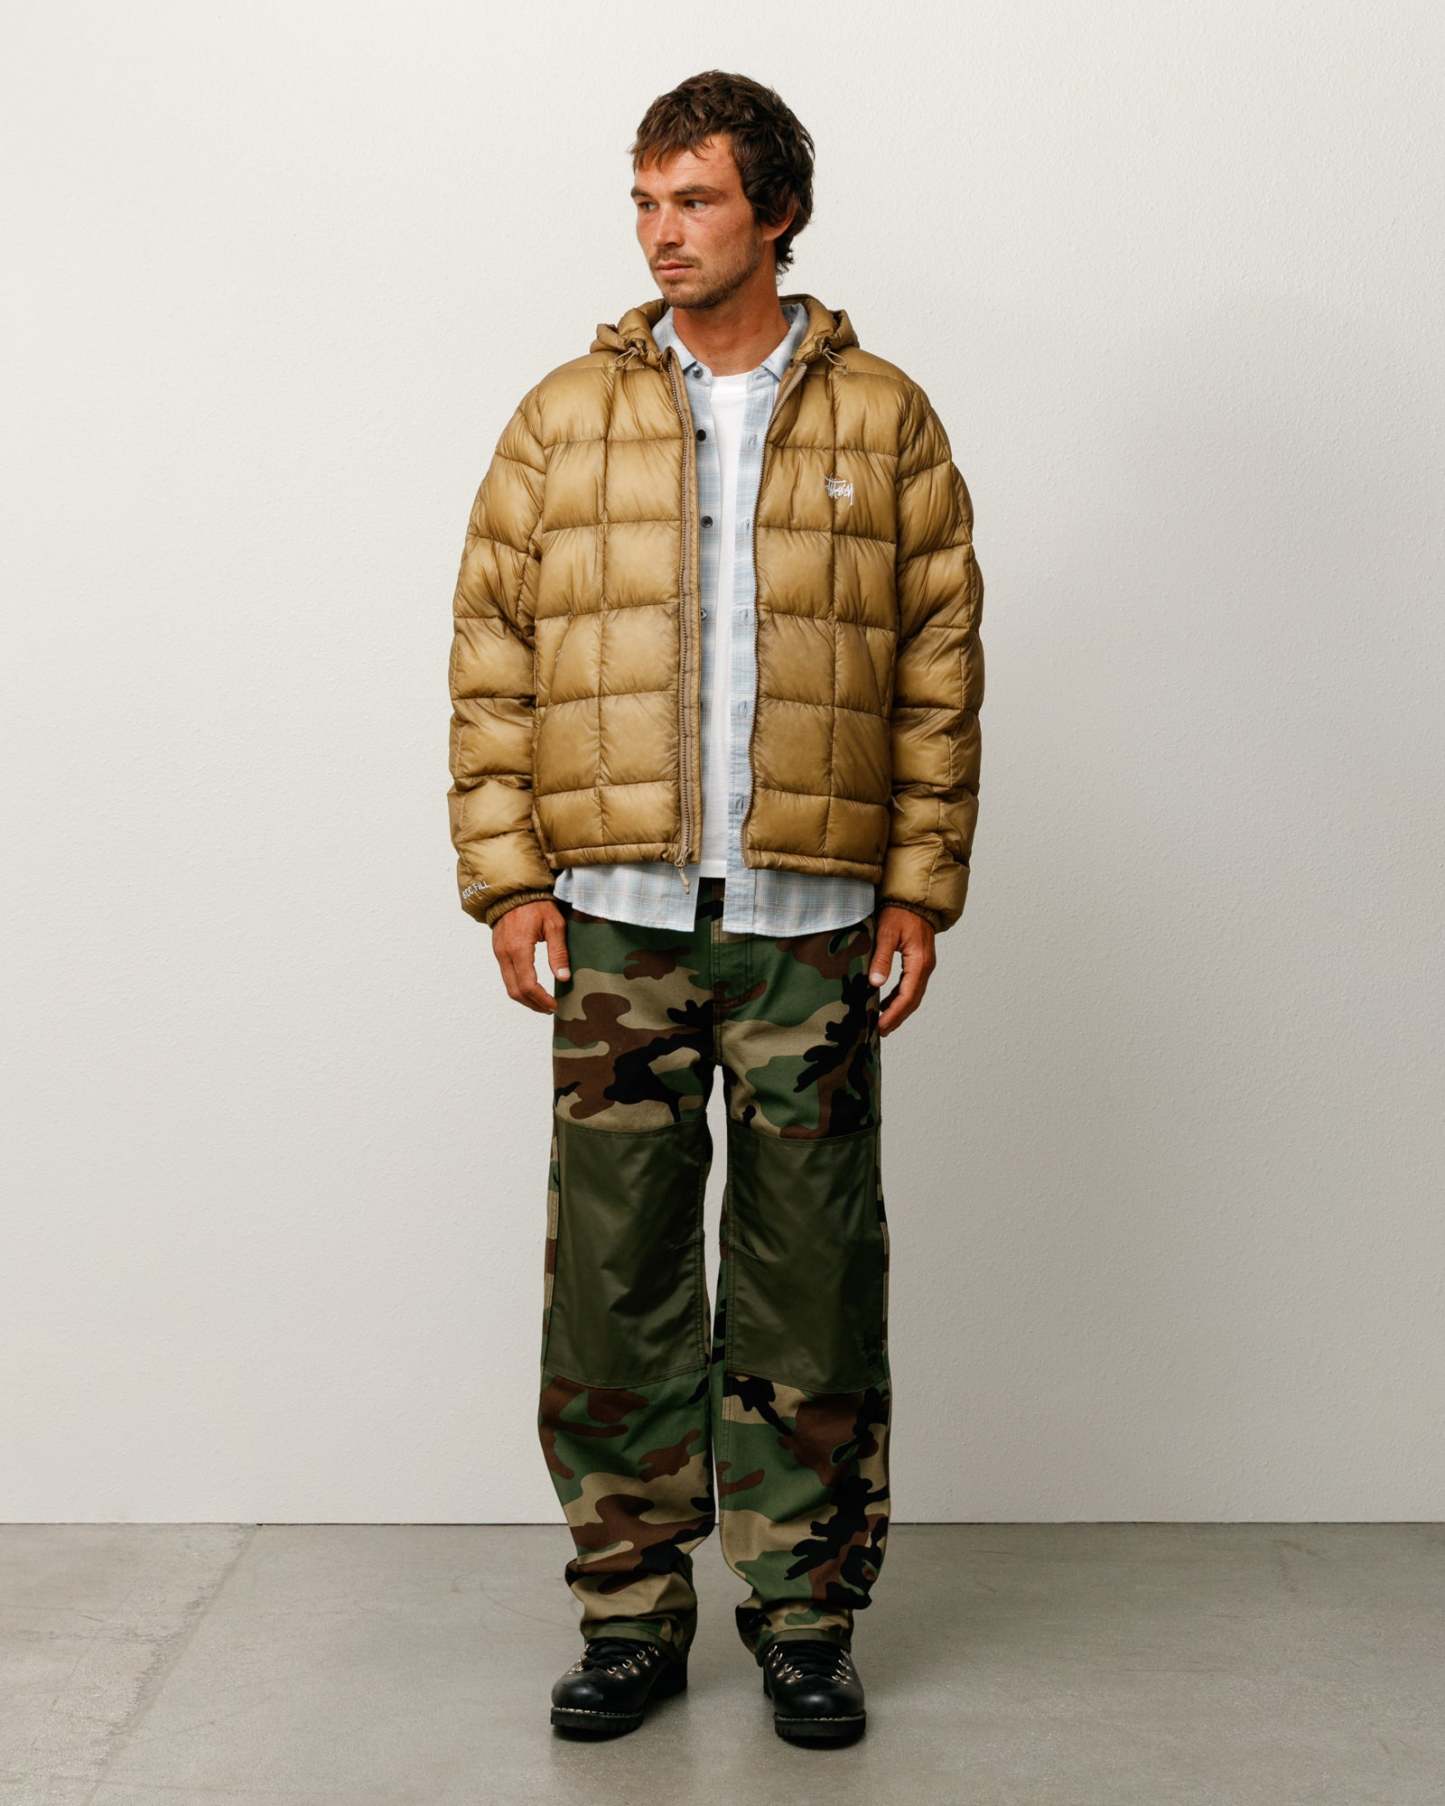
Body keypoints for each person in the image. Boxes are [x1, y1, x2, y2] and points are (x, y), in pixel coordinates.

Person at [444, 69, 985, 1748]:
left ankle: (805, 1615)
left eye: (692, 200)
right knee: (613, 1274)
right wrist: (508, 877)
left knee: (809, 1271)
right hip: (614, 917)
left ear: (776, 212)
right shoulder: (562, 417)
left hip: (807, 921)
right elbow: (492, 656)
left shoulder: (884, 419)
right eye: (644, 201)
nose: (660, 232)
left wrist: (917, 885)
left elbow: (937, 669)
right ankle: (627, 1612)